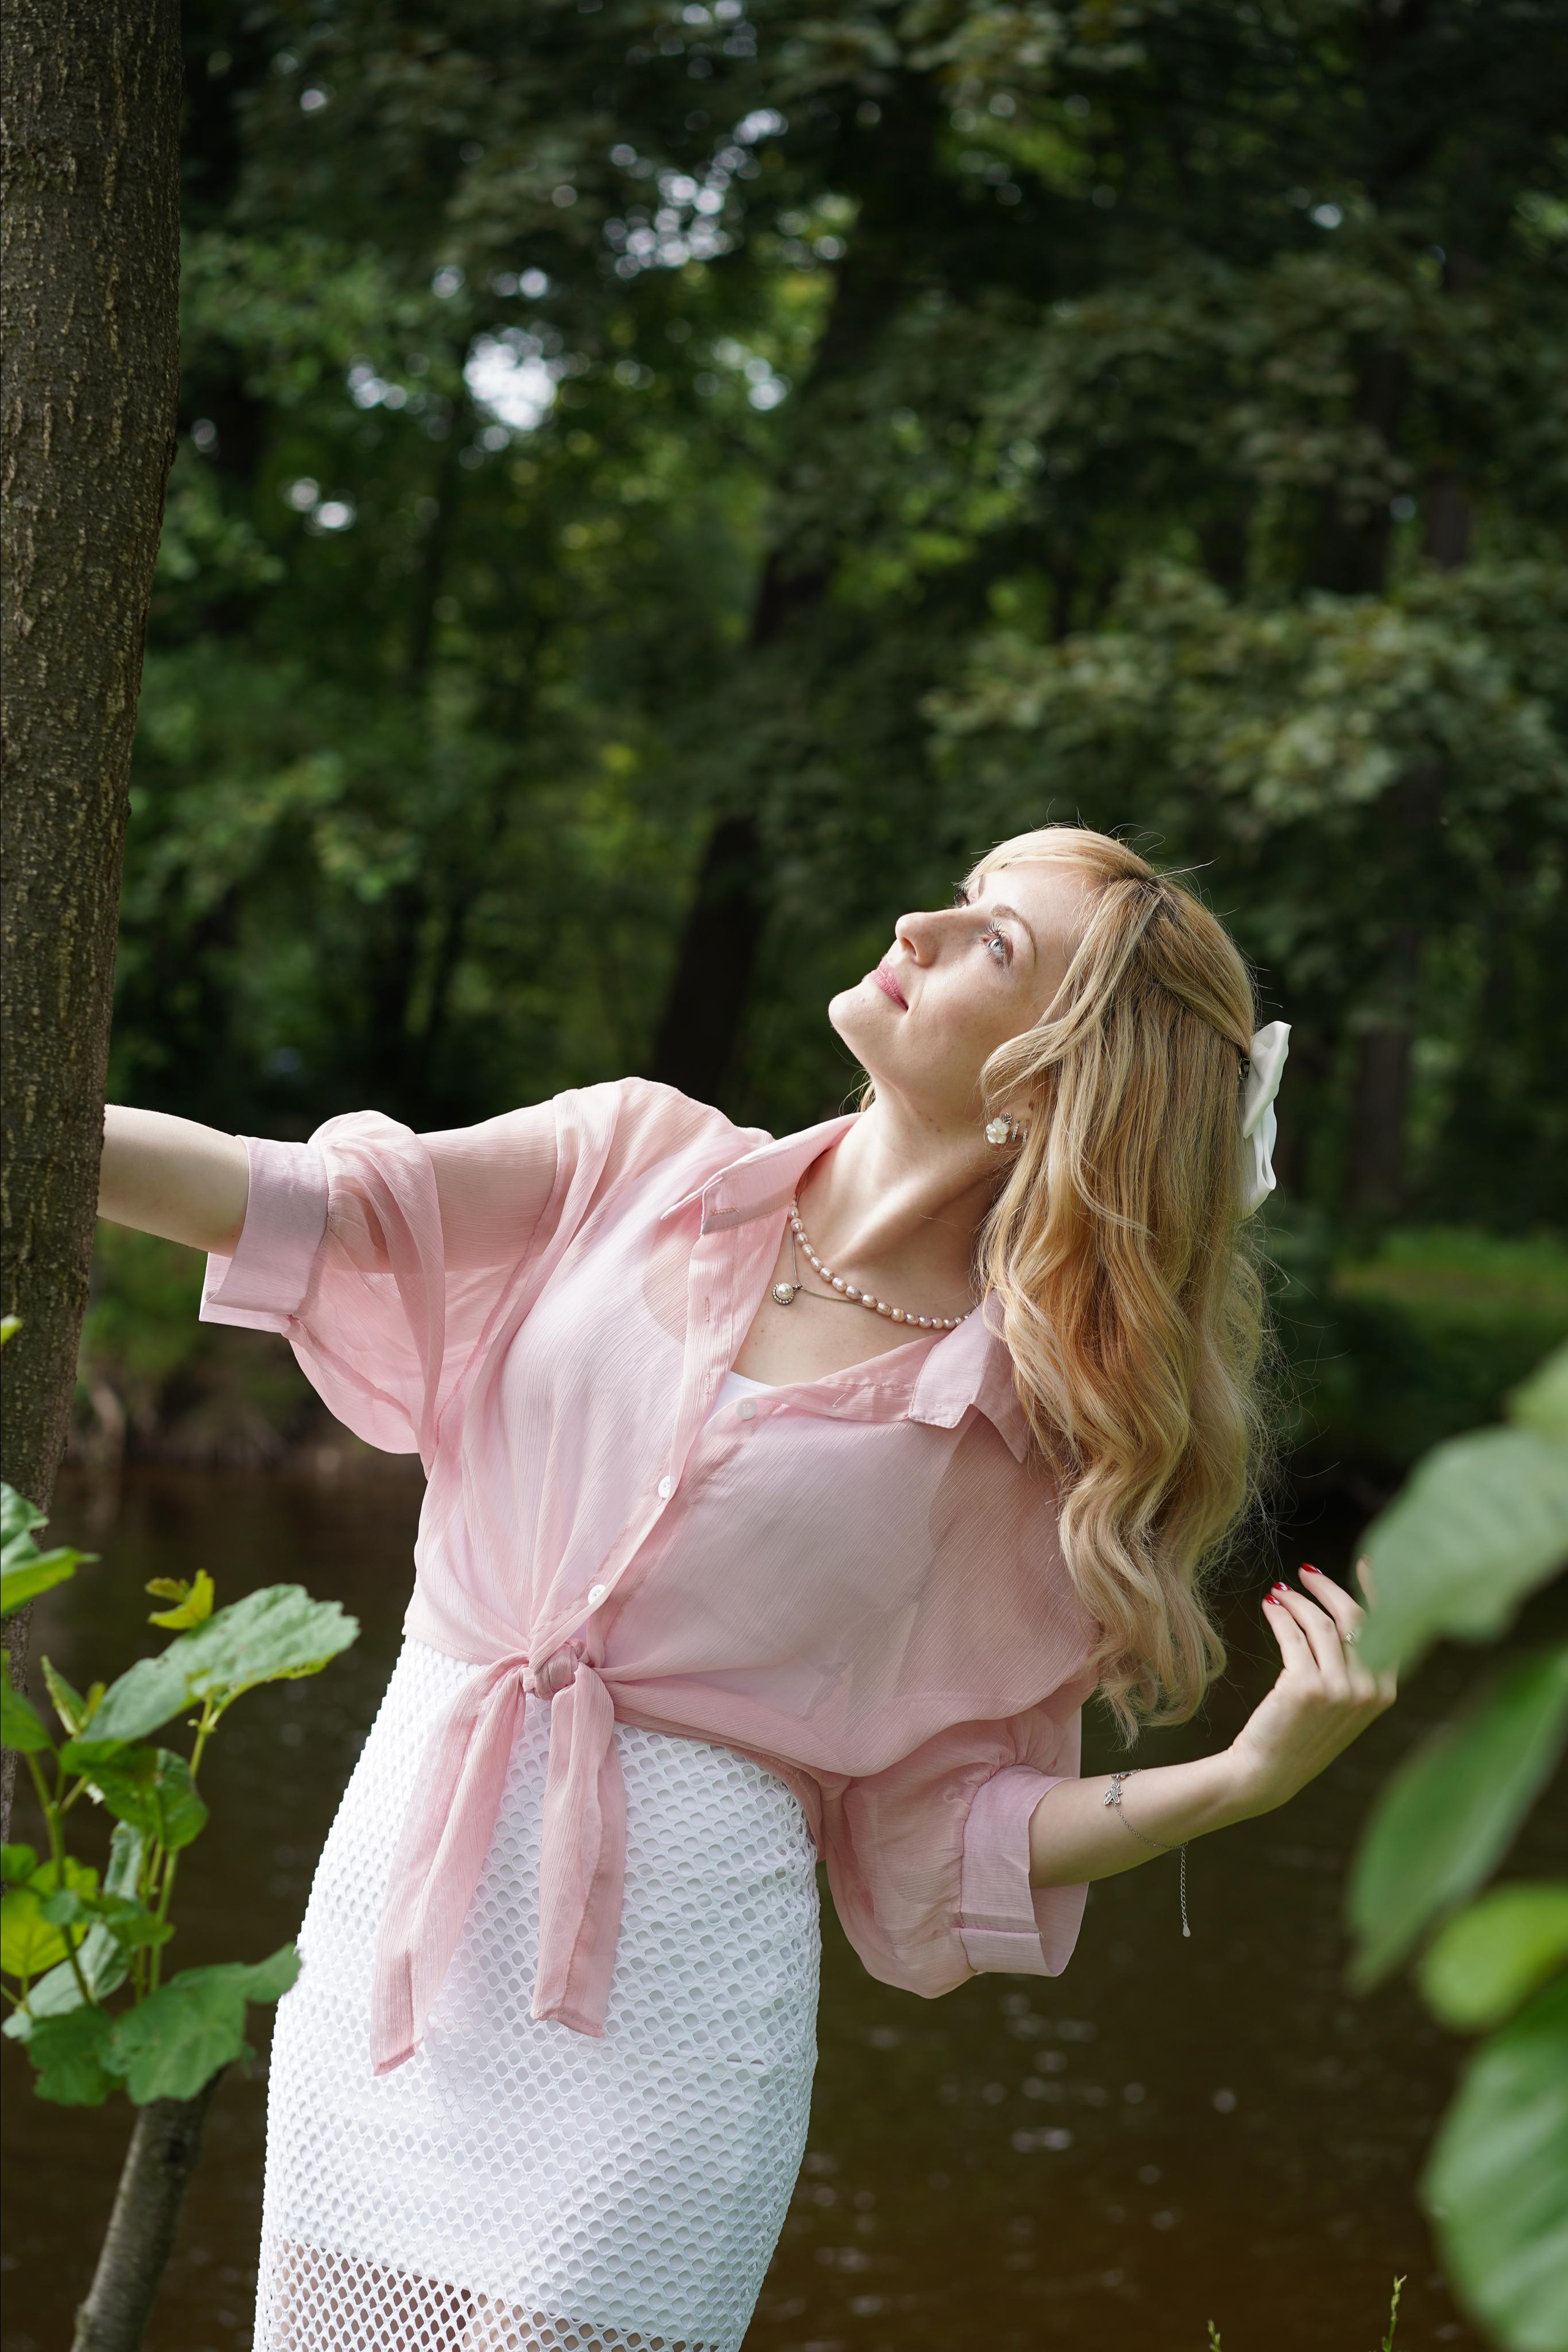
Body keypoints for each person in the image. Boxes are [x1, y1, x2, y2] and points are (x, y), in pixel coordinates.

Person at [97, 825, 1396, 2352]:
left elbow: (938, 1824)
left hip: (673, 2031)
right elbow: (307, 1205)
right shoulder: (629, 1159)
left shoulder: (1019, 1438)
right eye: (956, 898)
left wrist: (1238, 1780)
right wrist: (44, 1115)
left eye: (990, 941)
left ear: (1055, 1081)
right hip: (397, 1966)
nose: (912, 922)